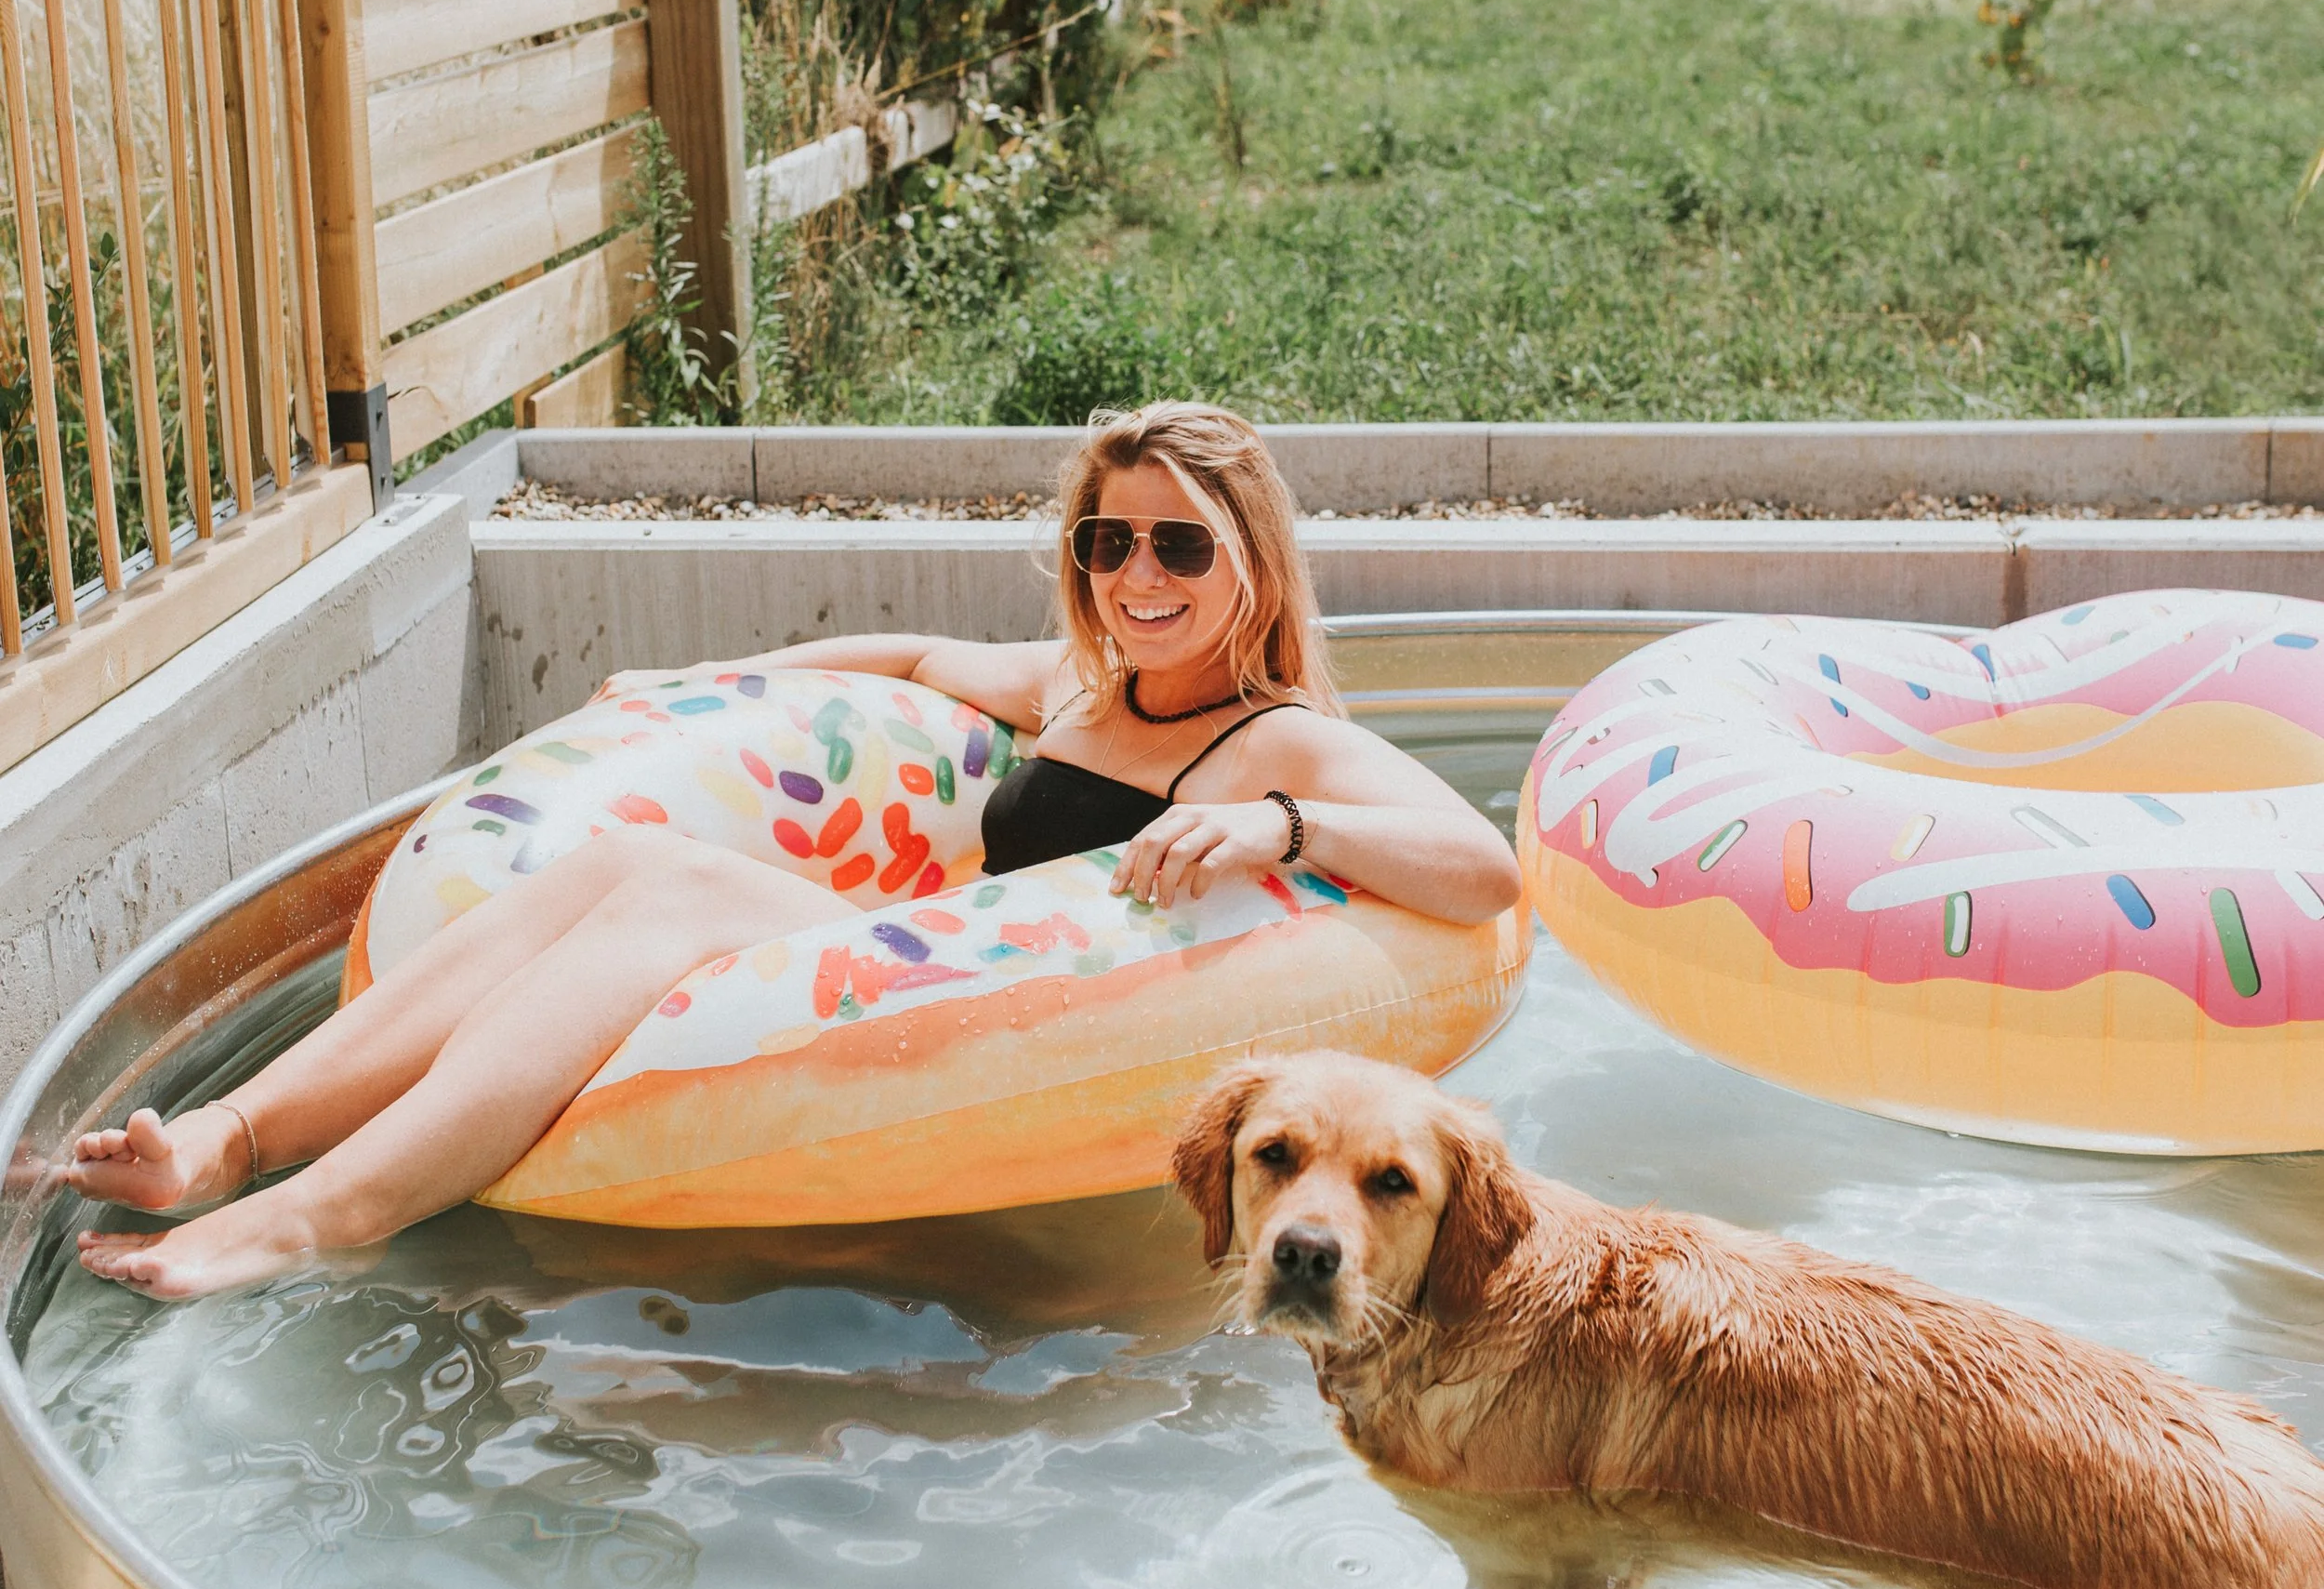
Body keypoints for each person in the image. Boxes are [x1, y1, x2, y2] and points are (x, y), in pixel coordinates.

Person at [69, 401, 1520, 1301]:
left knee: (672, 884)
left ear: (1252, 564)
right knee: (607, 866)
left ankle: (315, 1217)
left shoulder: (1271, 738)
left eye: (1181, 548)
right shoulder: (1084, 687)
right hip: (926, 971)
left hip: (993, 1007)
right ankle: (226, 1139)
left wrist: (1280, 826)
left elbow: (1483, 869)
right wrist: (696, 689)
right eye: (1107, 543)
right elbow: (901, 651)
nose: (1137, 578)